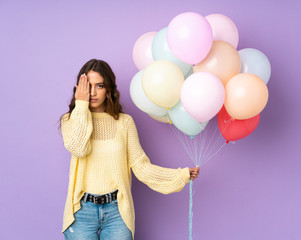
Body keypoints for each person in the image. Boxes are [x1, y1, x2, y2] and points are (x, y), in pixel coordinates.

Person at [59, 59, 200, 240]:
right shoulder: (69, 120)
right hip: (81, 210)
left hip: (117, 211)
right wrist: (81, 105)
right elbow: (79, 148)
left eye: (100, 85)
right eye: (88, 86)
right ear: (79, 88)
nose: (92, 92)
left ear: (108, 88)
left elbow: (141, 167)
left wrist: (180, 175)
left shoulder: (124, 123)